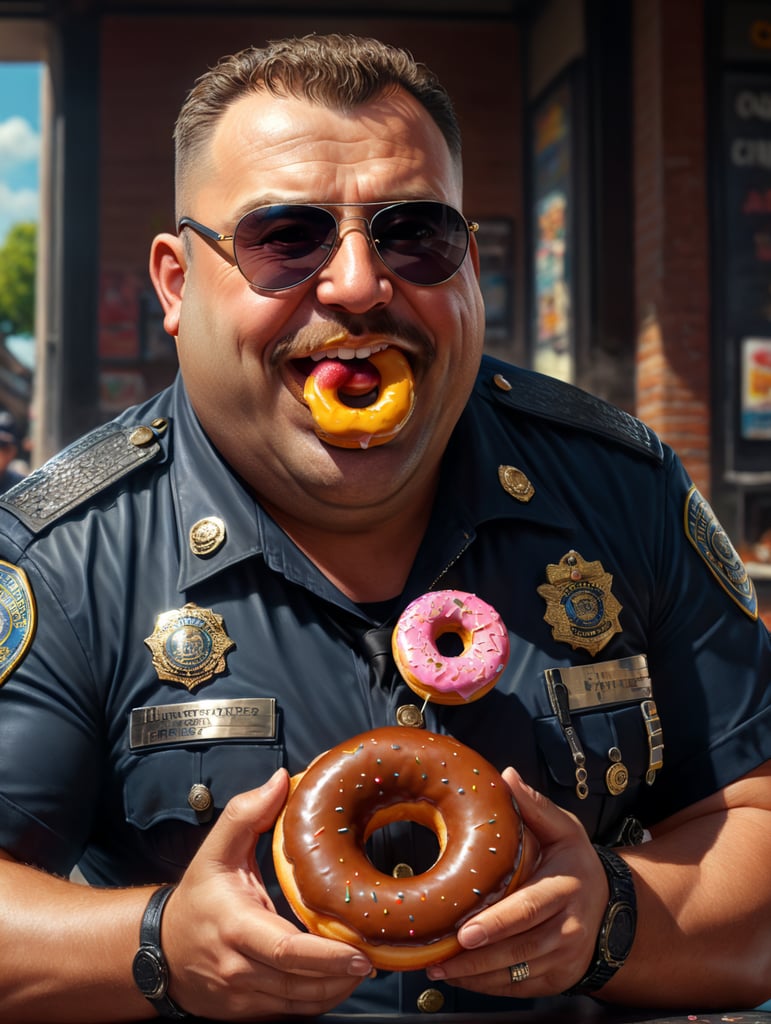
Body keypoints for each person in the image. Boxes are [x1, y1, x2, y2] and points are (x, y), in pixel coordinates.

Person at [0, 32, 768, 1023]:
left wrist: (617, 917)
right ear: (177, 283)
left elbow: (750, 827)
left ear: (471, 266)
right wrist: (157, 947)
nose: (360, 284)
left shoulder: (625, 491)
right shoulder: (68, 552)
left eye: (416, 236)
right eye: (287, 236)